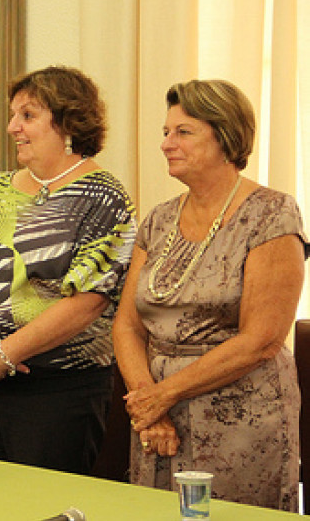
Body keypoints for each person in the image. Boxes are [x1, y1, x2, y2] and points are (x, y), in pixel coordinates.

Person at [113, 79, 307, 511]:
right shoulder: (159, 219)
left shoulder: (272, 214)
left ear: (226, 137)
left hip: (241, 416)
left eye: (183, 132)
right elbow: (127, 324)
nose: (166, 143)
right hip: (155, 418)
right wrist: (150, 401)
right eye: (166, 132)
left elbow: (262, 340)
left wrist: (165, 395)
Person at [0, 66, 136, 474]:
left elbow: (90, 299)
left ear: (68, 123)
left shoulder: (104, 196)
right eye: (13, 116)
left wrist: (6, 353)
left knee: (45, 506)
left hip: (61, 387)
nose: (12, 127)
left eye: (27, 116)